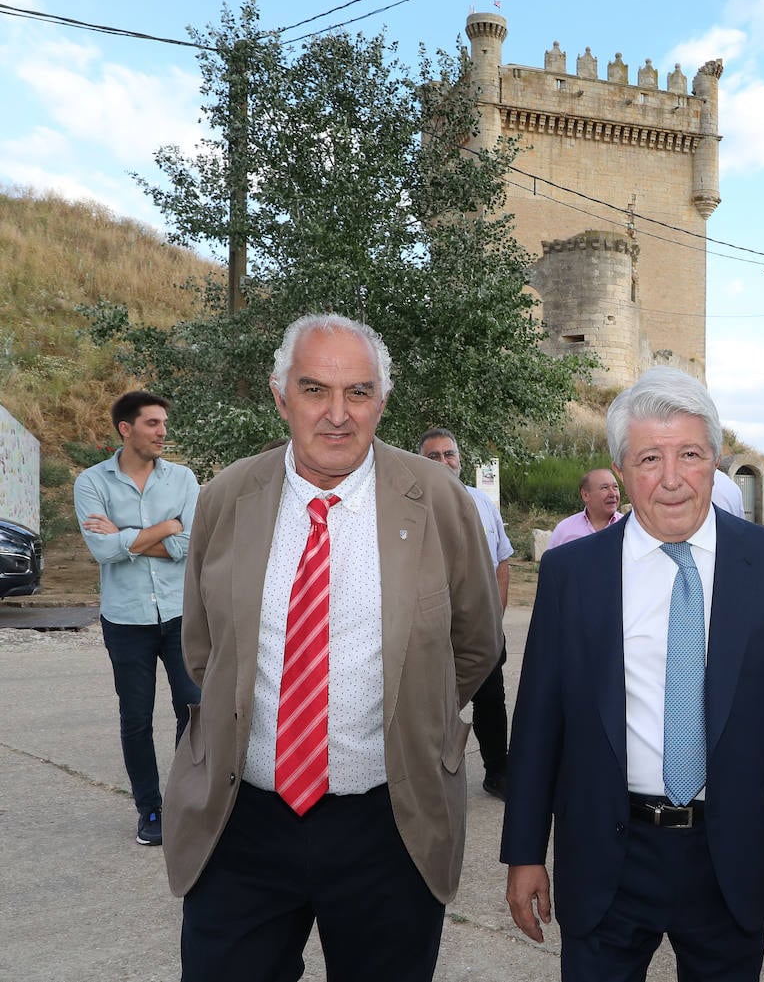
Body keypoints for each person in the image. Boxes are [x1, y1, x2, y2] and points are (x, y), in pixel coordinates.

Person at [163, 314, 503, 981]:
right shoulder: (227, 496)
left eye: (359, 392)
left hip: (390, 824)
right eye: (315, 389)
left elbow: (476, 643)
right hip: (243, 822)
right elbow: (205, 646)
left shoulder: (437, 499)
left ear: (383, 398)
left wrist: (416, 720)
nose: (338, 414)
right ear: (280, 394)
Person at [501, 366, 764, 982]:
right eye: (650, 458)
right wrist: (525, 852)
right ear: (621, 472)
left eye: (690, 454)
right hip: (607, 855)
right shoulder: (572, 573)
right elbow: (539, 722)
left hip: (728, 854)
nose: (673, 479)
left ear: (715, 461)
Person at [73, 390, 201, 847]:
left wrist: (128, 536)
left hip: (181, 615)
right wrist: (166, 528)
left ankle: (189, 801)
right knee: (136, 718)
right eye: (152, 423)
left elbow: (190, 546)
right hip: (126, 620)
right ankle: (150, 808)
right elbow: (101, 551)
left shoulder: (183, 479)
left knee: (194, 709)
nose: (162, 431)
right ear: (126, 429)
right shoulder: (92, 483)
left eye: (164, 422)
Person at [417, 427, 515, 800]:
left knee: (490, 699)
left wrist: (495, 616)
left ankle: (497, 772)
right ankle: (425, 775)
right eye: (433, 456)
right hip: (430, 626)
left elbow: (502, 561)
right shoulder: (410, 502)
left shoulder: (483, 503)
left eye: (449, 454)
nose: (443, 462)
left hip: (480, 626)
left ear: (460, 459)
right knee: (428, 701)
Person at [547, 467, 622, 548]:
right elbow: (552, 560)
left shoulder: (628, 527)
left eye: (615, 487)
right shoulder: (564, 530)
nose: (613, 494)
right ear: (585, 495)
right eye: (605, 488)